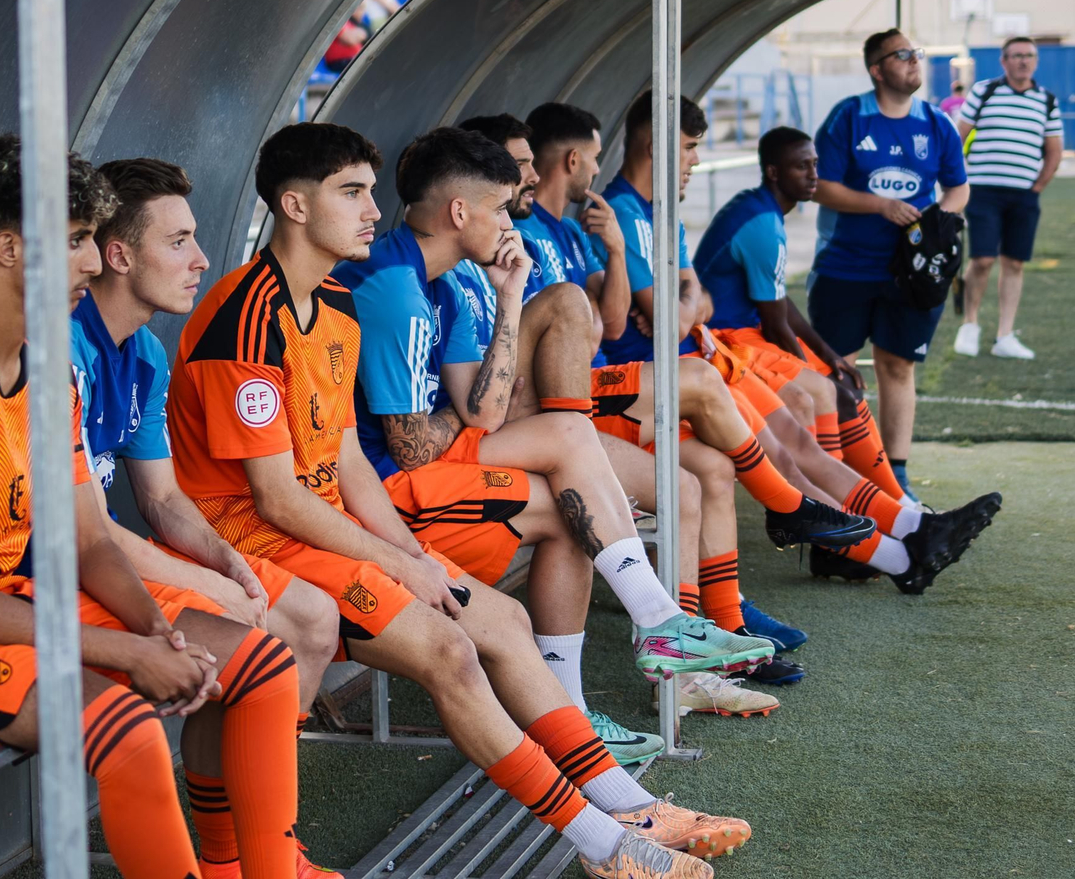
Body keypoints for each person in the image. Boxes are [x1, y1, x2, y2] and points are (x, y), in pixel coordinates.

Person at [169, 121, 753, 876]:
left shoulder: (335, 305)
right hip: (252, 546)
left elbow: (345, 463)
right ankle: (607, 845)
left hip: (328, 534)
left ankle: (626, 809)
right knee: (451, 647)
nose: (374, 210)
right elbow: (278, 499)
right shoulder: (246, 316)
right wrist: (399, 560)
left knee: (503, 618)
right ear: (294, 205)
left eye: (370, 190)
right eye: (351, 192)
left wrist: (415, 556)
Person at [0, 135, 303, 879]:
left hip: (25, 599)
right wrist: (128, 653)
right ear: (10, 249)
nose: (91, 260)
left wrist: (155, 631)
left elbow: (87, 541)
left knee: (263, 666)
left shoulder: (51, 370)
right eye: (77, 240)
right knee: (129, 731)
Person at [332, 126, 781, 724]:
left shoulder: (441, 279)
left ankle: (589, 692)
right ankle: (654, 625)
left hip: (437, 458)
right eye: (498, 207)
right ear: (459, 211)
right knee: (573, 452)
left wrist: (513, 295)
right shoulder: (397, 287)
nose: (507, 223)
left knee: (577, 498)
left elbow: (482, 411)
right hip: (385, 487)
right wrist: (470, 415)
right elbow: (413, 447)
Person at [462, 107, 795, 710]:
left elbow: (607, 323)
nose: (531, 177)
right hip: (531, 422)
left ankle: (682, 664)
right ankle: (787, 512)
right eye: (519, 167)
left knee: (688, 485)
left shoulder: (553, 231)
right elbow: (554, 351)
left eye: (533, 164)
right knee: (689, 379)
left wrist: (614, 250)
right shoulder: (456, 263)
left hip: (557, 414)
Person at [70, 157, 343, 878]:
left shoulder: (148, 353)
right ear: (119, 254)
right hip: (60, 577)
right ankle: (242, 855)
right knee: (258, 642)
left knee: (278, 628)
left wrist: (227, 563)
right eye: (179, 241)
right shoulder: (63, 349)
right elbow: (84, 531)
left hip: (99, 565)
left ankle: (245, 855)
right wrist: (219, 587)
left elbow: (161, 500)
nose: (201, 259)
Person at [694, 126, 1001, 595]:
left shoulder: (765, 211)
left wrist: (829, 355)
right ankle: (850, 535)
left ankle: (898, 515)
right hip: (729, 340)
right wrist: (814, 365)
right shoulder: (758, 220)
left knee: (840, 388)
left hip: (743, 335)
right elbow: (776, 322)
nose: (815, 174)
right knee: (820, 391)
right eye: (803, 166)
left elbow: (780, 305)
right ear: (774, 171)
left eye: (816, 163)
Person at [808, 28, 968, 500]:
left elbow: (958, 186)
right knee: (835, 370)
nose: (915, 61)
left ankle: (896, 478)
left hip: (910, 276)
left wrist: (942, 226)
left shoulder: (935, 122)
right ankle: (833, 473)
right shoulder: (849, 117)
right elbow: (821, 185)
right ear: (877, 69)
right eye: (902, 55)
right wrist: (880, 206)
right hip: (845, 267)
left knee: (898, 367)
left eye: (917, 53)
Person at [953, 36, 1063, 362]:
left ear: (1036, 61)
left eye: (1029, 56)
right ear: (1004, 61)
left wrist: (1037, 187)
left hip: (1024, 197)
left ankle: (1005, 335)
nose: (1023, 61)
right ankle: (970, 325)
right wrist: (956, 183)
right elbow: (956, 139)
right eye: (1016, 56)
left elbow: (1054, 152)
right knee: (983, 259)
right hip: (984, 192)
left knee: (1014, 263)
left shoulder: (1046, 101)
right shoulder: (985, 92)